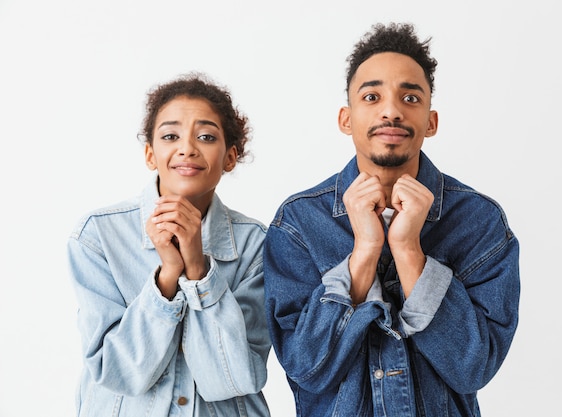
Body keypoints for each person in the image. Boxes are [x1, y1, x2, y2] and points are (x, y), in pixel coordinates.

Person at [263, 22, 520, 417]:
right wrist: (364, 252)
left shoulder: (479, 221)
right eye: (372, 96)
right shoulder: (298, 222)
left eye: (410, 97)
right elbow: (306, 368)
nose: (391, 111)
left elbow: (474, 367)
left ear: (431, 122)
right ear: (346, 119)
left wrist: (407, 250)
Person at [68, 73, 271, 417]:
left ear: (230, 157)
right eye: (170, 136)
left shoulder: (257, 243)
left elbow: (232, 379)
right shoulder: (98, 235)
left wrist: (198, 270)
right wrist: (168, 276)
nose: (187, 148)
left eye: (206, 136)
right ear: (151, 154)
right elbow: (119, 372)